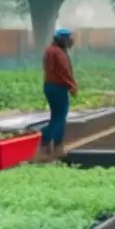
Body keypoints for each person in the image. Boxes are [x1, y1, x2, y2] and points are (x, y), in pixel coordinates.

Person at [39, 29, 78, 160]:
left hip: (50, 86)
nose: (71, 41)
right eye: (69, 38)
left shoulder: (50, 50)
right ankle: (49, 144)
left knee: (56, 116)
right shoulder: (59, 53)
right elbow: (64, 72)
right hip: (58, 87)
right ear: (62, 39)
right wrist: (72, 86)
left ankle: (52, 146)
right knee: (59, 117)